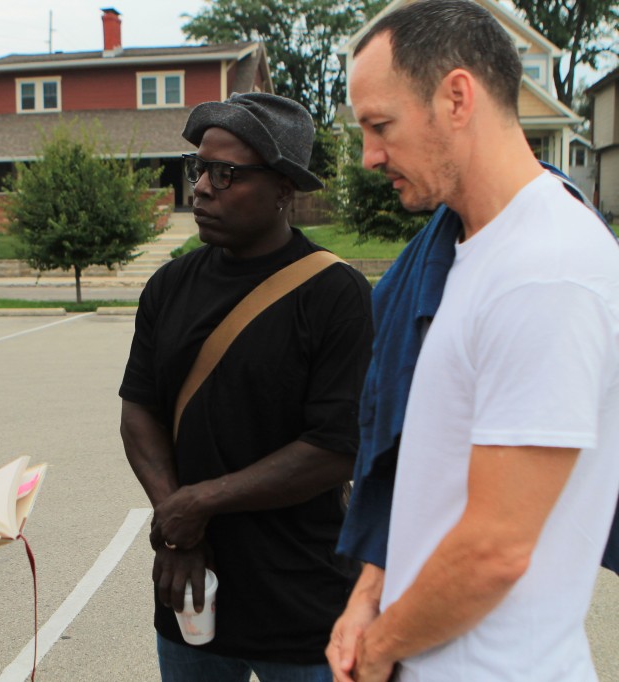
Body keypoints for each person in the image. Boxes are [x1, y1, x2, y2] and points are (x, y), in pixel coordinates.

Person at [326, 2, 619, 681]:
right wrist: (370, 593)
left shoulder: (545, 271)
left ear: (457, 96)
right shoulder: (467, 253)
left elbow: (496, 548)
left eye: (381, 126)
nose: (370, 155)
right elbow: (433, 477)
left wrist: (379, 647)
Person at [119, 92, 373, 681]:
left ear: (285, 190)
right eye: (199, 169)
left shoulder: (336, 296)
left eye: (225, 173)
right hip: (191, 594)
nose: (201, 188)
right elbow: (139, 413)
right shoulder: (168, 286)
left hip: (302, 603)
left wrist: (199, 502)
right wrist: (179, 531)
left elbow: (335, 449)